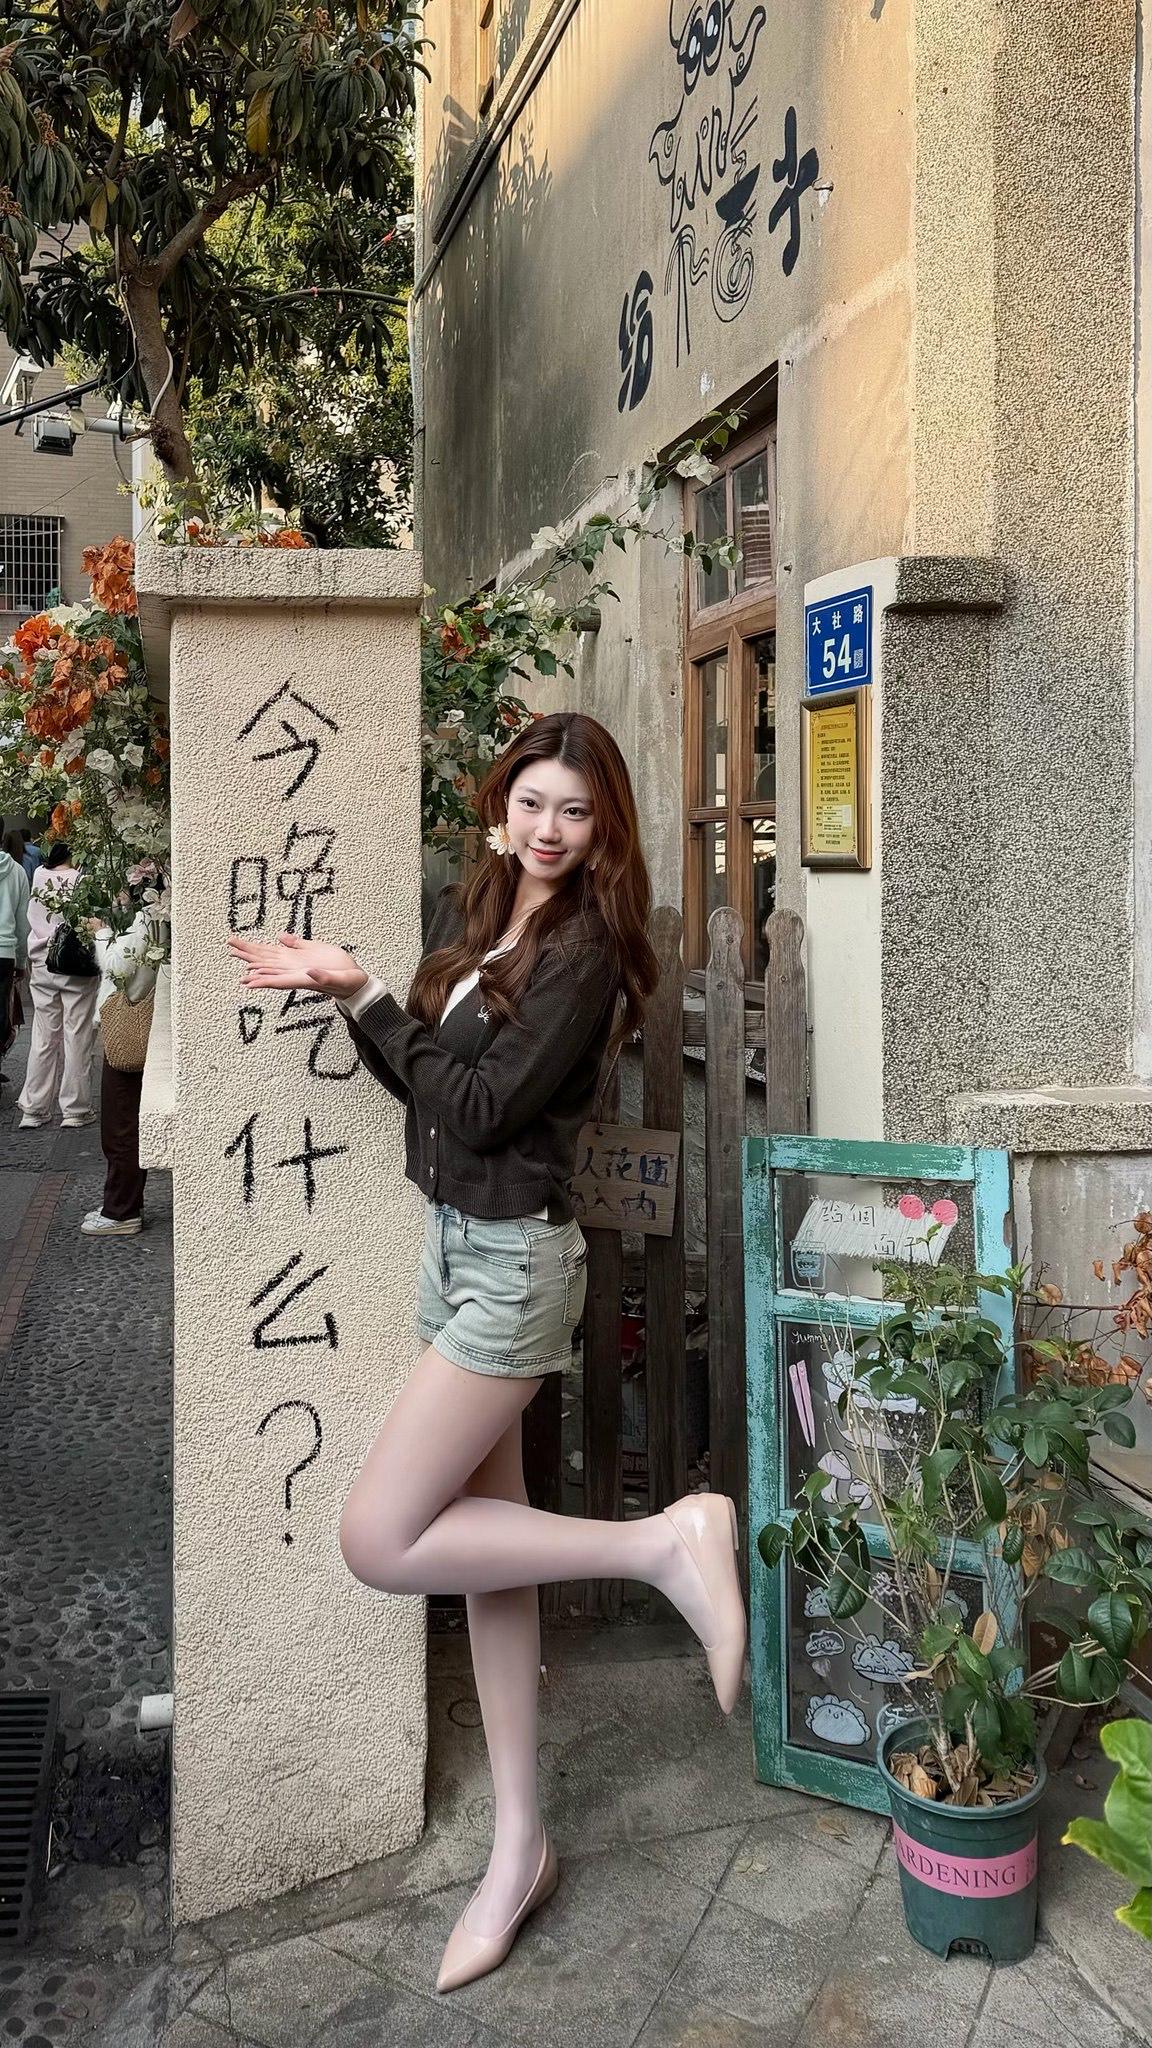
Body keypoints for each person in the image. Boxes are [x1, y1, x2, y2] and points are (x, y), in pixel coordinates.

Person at [229, 712, 747, 1995]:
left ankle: (665, 1541)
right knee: (490, 1565)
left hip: (514, 1266)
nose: (549, 828)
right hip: (455, 1249)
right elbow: (434, 1090)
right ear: (500, 806)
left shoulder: (584, 950)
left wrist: (365, 993)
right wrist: (353, 995)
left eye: (575, 808)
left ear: (604, 822)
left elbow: (480, 1103)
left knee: (379, 1536)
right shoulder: (488, 917)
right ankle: (521, 1848)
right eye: (532, 801)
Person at [81, 910, 157, 1236]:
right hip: (133, 1022)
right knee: (123, 1120)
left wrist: (101, 933)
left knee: (120, 1124)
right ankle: (123, 1204)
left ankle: (121, 1211)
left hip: (128, 1025)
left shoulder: (146, 916)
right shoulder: (150, 915)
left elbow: (118, 967)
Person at [17, 841, 100, 1130]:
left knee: (43, 1035)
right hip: (75, 965)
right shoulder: (83, 880)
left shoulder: (39, 875)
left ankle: (34, 1108)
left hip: (42, 962)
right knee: (77, 1034)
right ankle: (75, 1109)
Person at [0, 827, 30, 1090]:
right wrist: (21, 961)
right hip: (5, 952)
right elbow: (23, 923)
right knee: (1, 1012)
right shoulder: (17, 872)